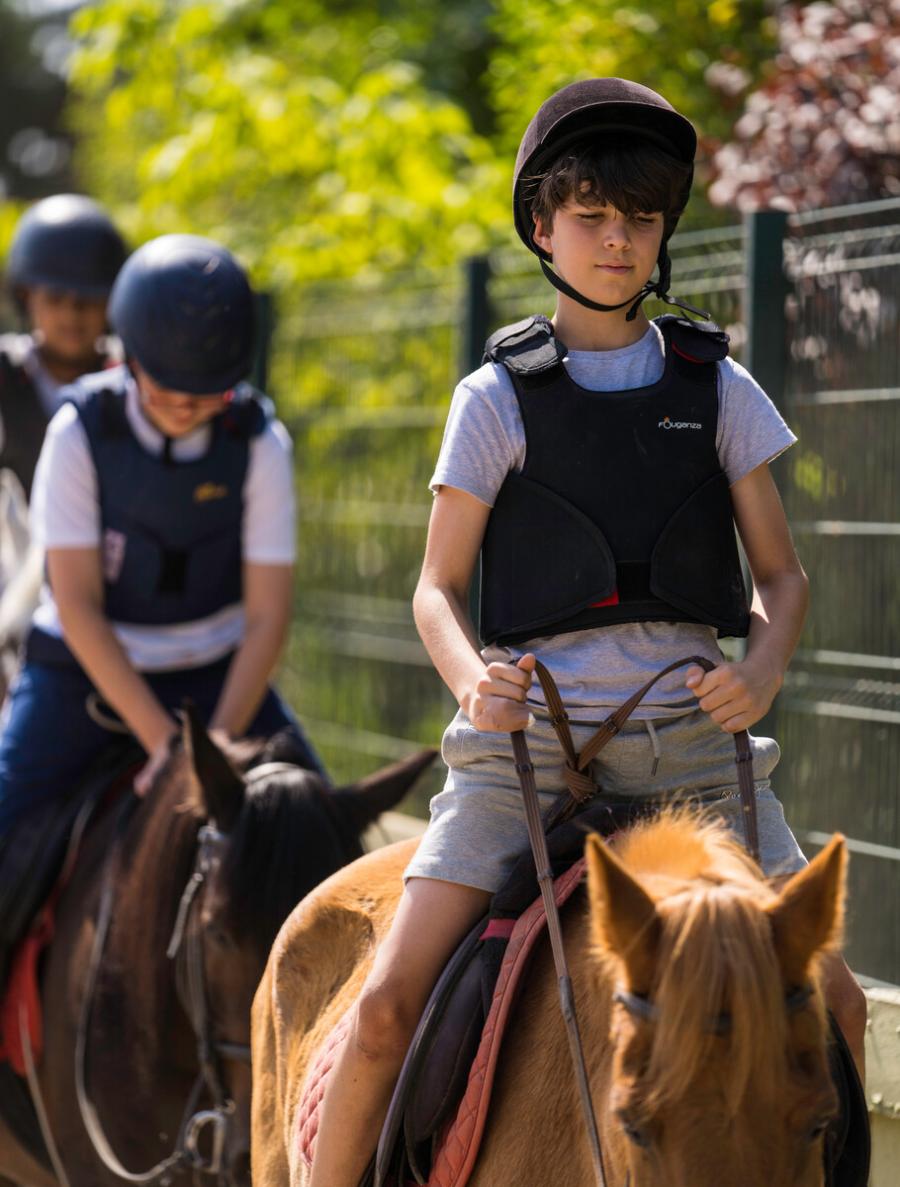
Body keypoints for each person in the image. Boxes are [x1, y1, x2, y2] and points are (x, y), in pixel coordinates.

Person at [308, 78, 866, 1186]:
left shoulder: (720, 388)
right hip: (523, 761)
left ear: (664, 234)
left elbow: (783, 577)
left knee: (839, 1003)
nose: (618, 240)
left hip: (699, 761)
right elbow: (436, 587)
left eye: (642, 219)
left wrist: (761, 667)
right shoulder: (494, 398)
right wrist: (472, 680)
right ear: (542, 226)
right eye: (592, 216)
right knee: (382, 1012)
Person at [0, 232, 322, 838]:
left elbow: (267, 616)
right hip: (80, 674)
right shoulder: (78, 431)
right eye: (164, 388)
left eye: (205, 395)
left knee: (325, 836)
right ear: (129, 357)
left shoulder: (259, 441)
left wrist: (219, 741)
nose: (183, 407)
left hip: (219, 678)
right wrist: (170, 750)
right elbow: (76, 604)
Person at [1, 193, 127, 500]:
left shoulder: (133, 381)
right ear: (27, 297)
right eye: (55, 298)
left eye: (87, 300)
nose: (72, 314)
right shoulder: (5, 376)